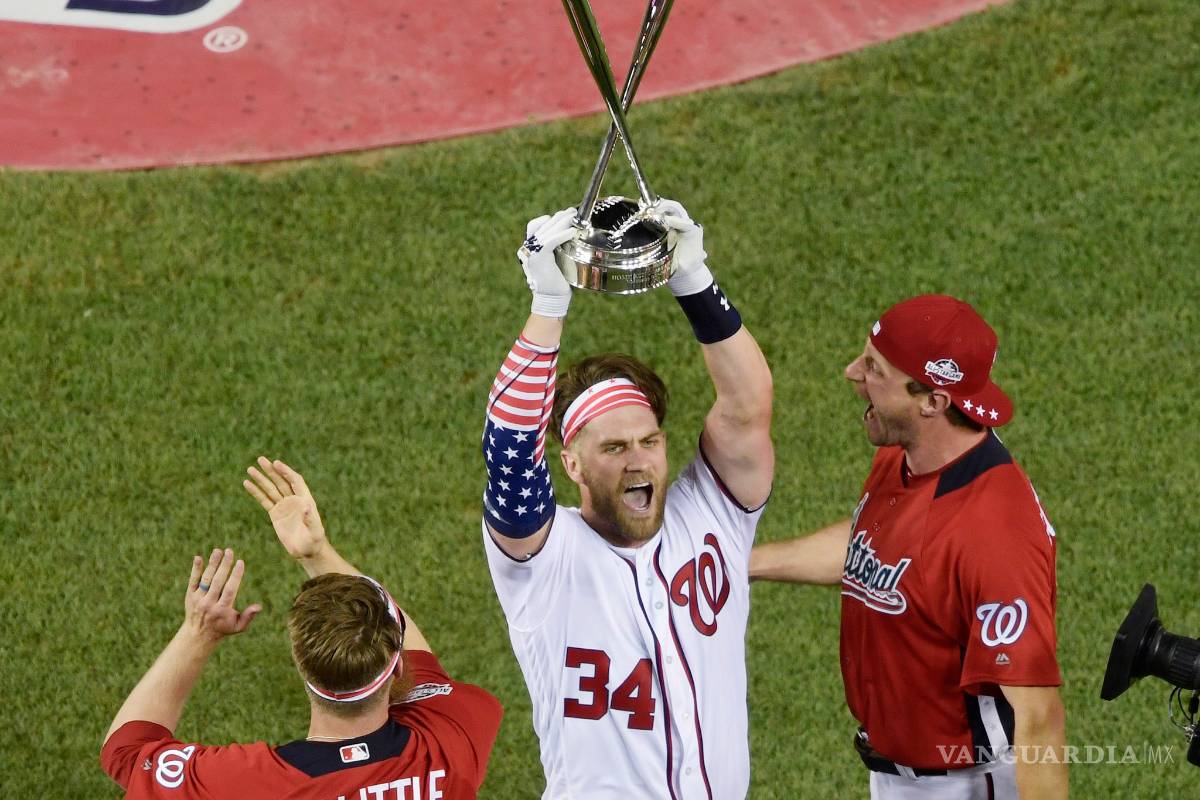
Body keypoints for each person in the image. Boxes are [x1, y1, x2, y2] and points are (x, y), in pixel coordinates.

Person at [480, 202, 774, 798]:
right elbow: (509, 448)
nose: (639, 459)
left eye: (649, 441)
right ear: (572, 465)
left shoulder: (711, 516)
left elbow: (748, 407)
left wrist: (695, 279)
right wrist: (548, 307)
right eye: (614, 447)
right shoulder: (541, 559)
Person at [750, 295, 1067, 799]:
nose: (852, 373)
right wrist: (747, 564)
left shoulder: (994, 533)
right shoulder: (908, 455)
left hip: (968, 785)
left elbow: (1039, 718)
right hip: (896, 775)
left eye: (874, 369)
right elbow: (875, 548)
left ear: (933, 401)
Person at [101, 457, 502, 799]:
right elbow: (420, 663)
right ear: (396, 668)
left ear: (302, 665)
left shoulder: (248, 783)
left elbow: (127, 750)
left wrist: (198, 632)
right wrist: (319, 554)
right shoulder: (456, 734)